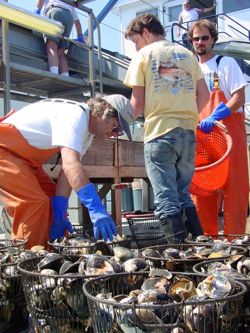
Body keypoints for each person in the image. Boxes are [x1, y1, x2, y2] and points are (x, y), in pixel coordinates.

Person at [0, 94, 134, 249]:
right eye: (116, 127)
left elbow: (67, 172)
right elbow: (71, 167)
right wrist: (95, 207)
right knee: (35, 203)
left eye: (119, 132)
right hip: (4, 150)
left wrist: (59, 212)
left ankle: (50, 253)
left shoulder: (86, 134)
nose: (114, 134)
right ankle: (28, 259)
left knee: (51, 198)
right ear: (103, 110)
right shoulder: (75, 116)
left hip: (25, 160)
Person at [123, 14, 210, 243]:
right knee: (183, 196)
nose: (135, 47)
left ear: (145, 32)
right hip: (188, 132)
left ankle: (179, 256)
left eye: (135, 41)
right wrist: (187, 117)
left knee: (166, 199)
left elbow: (137, 104)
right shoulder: (188, 55)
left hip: (159, 132)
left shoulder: (143, 55)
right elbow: (204, 95)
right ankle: (200, 250)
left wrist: (119, 123)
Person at [189, 19, 249, 235]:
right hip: (204, 142)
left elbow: (239, 97)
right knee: (202, 192)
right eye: (196, 39)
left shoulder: (226, 63)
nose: (200, 42)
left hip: (230, 138)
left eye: (205, 38)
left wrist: (218, 114)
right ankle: (208, 243)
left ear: (213, 39)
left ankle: (235, 243)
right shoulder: (191, 69)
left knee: (235, 191)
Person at [35, 0, 84, 76]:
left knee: (51, 46)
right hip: (69, 17)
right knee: (61, 53)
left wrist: (37, 10)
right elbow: (77, 22)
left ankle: (54, 74)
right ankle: (65, 77)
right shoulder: (68, 2)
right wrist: (80, 36)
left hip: (55, 11)